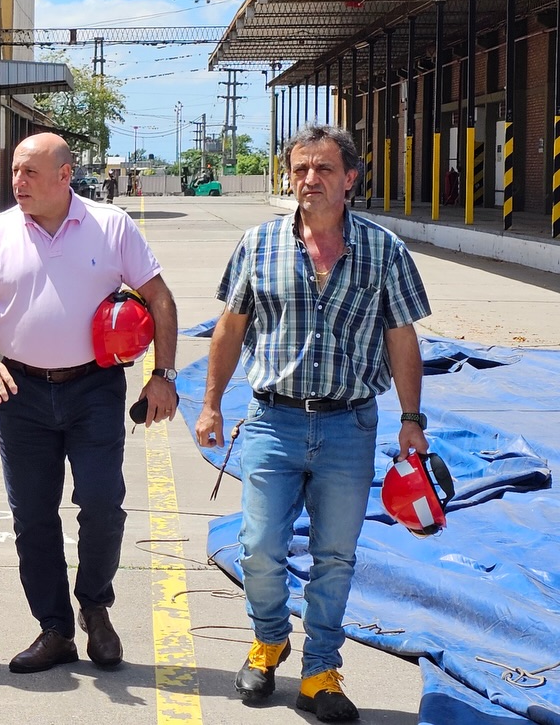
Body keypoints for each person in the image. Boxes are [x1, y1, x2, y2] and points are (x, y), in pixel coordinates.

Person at [194, 124, 431, 722]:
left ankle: (321, 670)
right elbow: (231, 326)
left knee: (335, 555)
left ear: (351, 178)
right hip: (273, 422)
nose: (310, 181)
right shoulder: (258, 243)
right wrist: (211, 402)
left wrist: (410, 420)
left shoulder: (384, 250)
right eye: (300, 169)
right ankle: (269, 639)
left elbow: (402, 337)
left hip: (350, 427)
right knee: (259, 549)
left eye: (324, 169)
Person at [0, 131, 178, 674]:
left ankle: (95, 607)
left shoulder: (112, 225)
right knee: (32, 517)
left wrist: (162, 375)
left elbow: (160, 298)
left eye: (30, 172)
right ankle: (54, 629)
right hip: (20, 391)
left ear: (64, 175)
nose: (17, 182)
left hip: (94, 388)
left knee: (102, 504)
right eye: (14, 171)